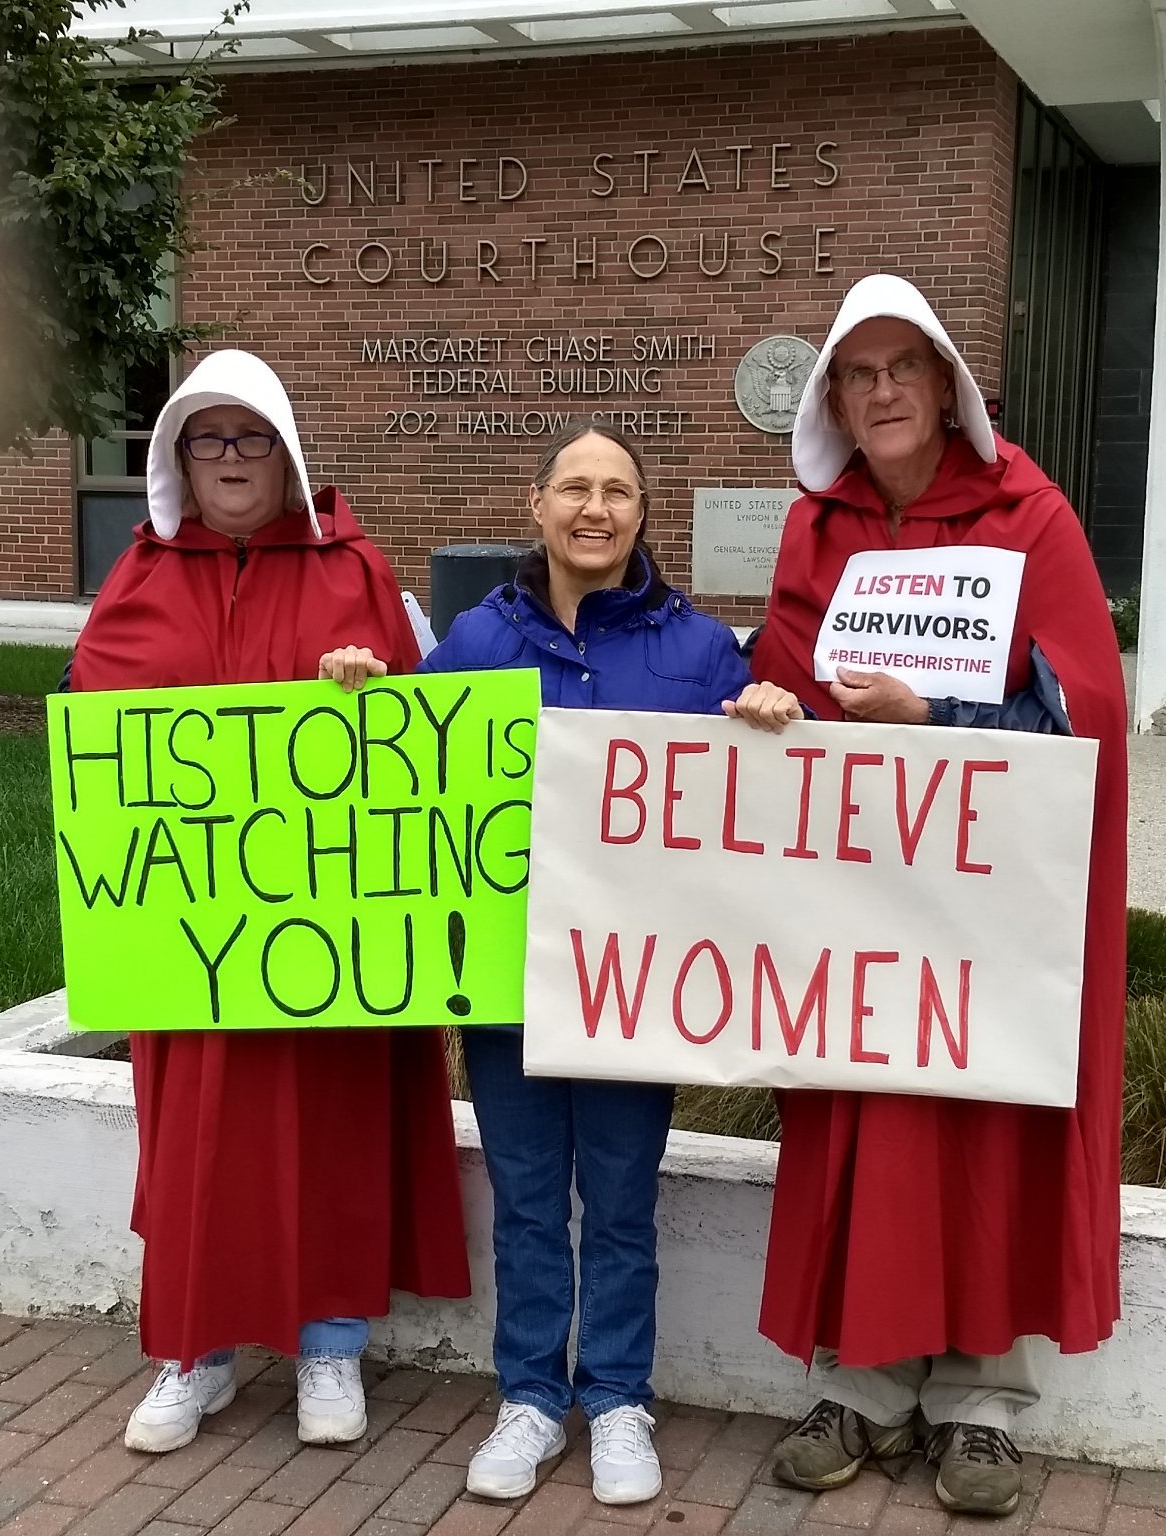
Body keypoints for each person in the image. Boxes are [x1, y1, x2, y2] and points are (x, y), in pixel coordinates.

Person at [319, 422, 802, 1508]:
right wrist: (357, 697)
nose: (595, 508)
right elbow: (409, 779)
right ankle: (531, 1399)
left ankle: (618, 1398)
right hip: (511, 983)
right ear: (534, 506)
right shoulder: (476, 642)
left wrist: (778, 713)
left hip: (636, 989)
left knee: (621, 1204)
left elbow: (759, 807)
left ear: (642, 514)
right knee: (531, 1203)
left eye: (617, 491)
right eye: (574, 488)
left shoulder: (696, 650)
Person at [749, 274, 1128, 1516]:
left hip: (983, 898)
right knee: (861, 1116)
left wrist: (943, 718)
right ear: (836, 405)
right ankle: (859, 1380)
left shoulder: (1029, 517)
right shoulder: (816, 532)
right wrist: (765, 708)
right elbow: (782, 684)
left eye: (900, 367)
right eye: (855, 377)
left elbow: (1085, 714)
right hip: (859, 894)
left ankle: (977, 1404)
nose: (880, 393)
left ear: (945, 383)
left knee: (978, 1122)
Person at [66, 348, 471, 1456]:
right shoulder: (136, 580)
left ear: (285, 451)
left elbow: (416, 749)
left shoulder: (353, 569)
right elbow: (101, 745)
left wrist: (370, 692)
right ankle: (191, 1353)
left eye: (250, 438)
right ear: (178, 459)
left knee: (330, 1134)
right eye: (209, 440)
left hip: (322, 935)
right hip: (194, 939)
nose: (231, 460)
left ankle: (330, 1347)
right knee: (197, 1144)